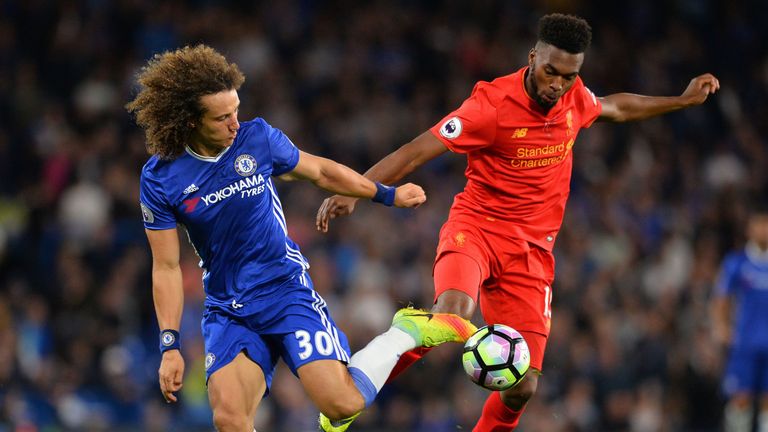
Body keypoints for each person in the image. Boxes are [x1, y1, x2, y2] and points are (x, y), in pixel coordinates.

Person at [317, 13, 720, 431]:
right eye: (550, 72)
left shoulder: (573, 98)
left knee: (522, 386)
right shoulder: (489, 107)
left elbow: (615, 107)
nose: (557, 85)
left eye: (568, 76)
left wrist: (681, 100)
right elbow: (417, 150)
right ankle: (347, 395)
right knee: (453, 315)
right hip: (476, 229)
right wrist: (358, 190)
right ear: (532, 57)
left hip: (531, 253)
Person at [125, 44, 477, 432]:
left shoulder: (256, 139)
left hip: (284, 291)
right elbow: (167, 265)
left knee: (342, 405)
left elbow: (322, 172)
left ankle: (405, 331)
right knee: (229, 420)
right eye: (222, 118)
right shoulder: (160, 178)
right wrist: (170, 345)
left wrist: (386, 194)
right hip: (229, 309)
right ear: (190, 121)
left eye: (236, 111)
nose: (235, 124)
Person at [712, 207, 768, 432]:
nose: (764, 230)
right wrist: (721, 327)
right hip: (745, 343)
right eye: (760, 224)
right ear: (749, 229)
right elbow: (721, 298)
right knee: (740, 398)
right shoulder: (737, 262)